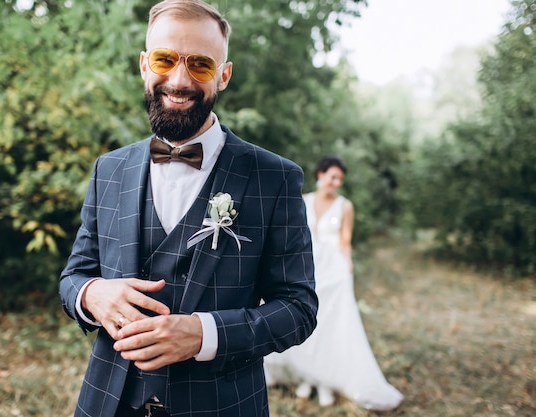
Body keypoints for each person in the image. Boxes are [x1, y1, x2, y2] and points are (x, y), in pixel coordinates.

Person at [58, 1, 318, 416]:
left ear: (223, 75)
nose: (178, 80)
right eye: (165, 59)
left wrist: (203, 334)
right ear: (145, 64)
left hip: (223, 405)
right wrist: (91, 294)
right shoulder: (108, 169)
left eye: (199, 65)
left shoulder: (275, 177)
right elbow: (74, 275)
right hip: (107, 401)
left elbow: (299, 310)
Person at [264, 155, 403, 411]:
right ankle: (305, 376)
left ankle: (325, 381)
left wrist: (347, 268)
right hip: (305, 268)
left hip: (333, 271)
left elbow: (345, 241)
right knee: (301, 318)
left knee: (329, 325)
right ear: (320, 175)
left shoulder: (345, 206)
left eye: (340, 179)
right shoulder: (302, 201)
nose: (336, 182)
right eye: (332, 177)